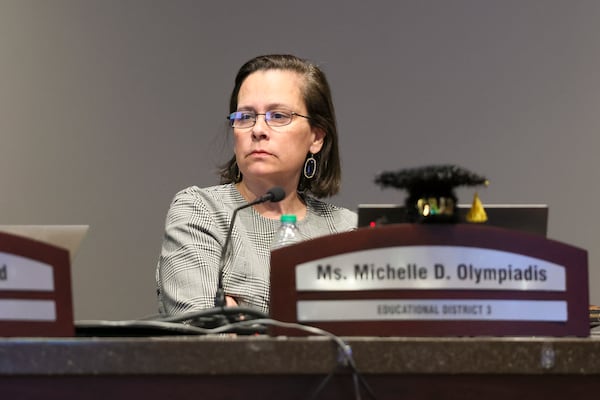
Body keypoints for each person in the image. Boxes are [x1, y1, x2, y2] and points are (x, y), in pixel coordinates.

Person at [156, 54, 357, 316]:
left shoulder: (346, 231)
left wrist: (243, 322)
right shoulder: (200, 212)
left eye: (278, 115)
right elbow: (200, 338)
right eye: (245, 116)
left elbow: (366, 343)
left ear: (316, 137)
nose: (258, 129)